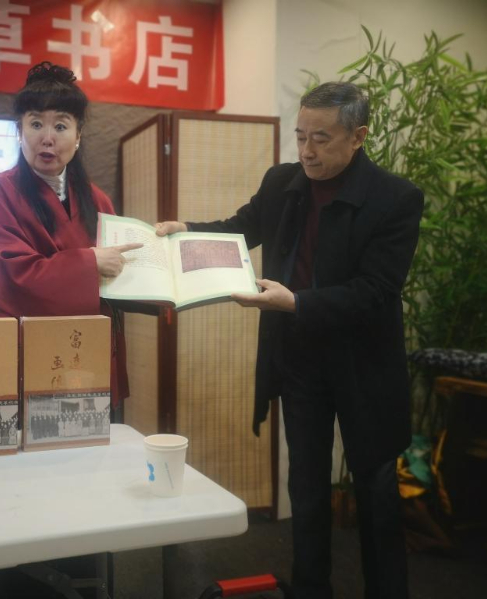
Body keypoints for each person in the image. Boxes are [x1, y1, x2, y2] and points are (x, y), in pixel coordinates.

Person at [156, 82, 423, 599]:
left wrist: (296, 302)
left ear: (359, 136)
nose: (306, 151)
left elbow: (376, 291)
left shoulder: (396, 198)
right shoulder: (283, 181)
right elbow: (241, 228)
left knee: (375, 491)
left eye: (321, 139)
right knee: (306, 483)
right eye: (300, 136)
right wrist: (185, 230)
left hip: (364, 364)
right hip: (301, 357)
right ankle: (309, 589)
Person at [0, 61, 140, 414]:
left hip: (84, 357)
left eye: (60, 125)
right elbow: (11, 278)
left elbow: (116, 286)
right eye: (35, 123)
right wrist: (89, 263)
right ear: (19, 131)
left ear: (78, 135)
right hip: (25, 360)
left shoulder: (98, 201)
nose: (48, 137)